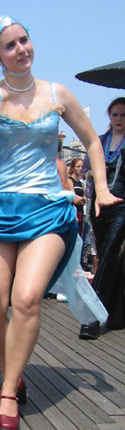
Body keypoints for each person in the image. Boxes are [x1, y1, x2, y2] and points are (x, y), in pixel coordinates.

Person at [0, 15, 122, 430]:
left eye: (23, 40)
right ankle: (16, 372)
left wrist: (100, 187)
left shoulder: (56, 92)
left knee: (26, 298)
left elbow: (92, 142)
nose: (20, 49)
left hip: (47, 208)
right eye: (9, 45)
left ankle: (8, 388)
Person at [83, 97, 125, 330]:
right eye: (115, 114)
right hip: (99, 204)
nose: (119, 119)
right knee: (108, 256)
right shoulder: (99, 142)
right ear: (109, 116)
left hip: (122, 203)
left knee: (109, 253)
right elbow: (87, 169)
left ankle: (90, 316)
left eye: (123, 115)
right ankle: (117, 314)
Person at [68, 157, 86, 235]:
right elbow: (74, 198)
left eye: (82, 167)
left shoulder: (81, 183)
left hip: (81, 212)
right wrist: (82, 199)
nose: (80, 169)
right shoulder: (69, 180)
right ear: (73, 168)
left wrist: (81, 199)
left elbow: (86, 199)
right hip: (73, 213)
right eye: (78, 167)